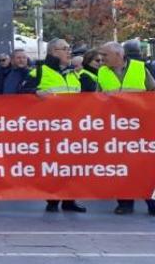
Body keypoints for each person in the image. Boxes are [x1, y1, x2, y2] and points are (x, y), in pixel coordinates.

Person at [19, 39, 86, 213]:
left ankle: (70, 200)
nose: (69, 52)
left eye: (69, 48)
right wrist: (35, 92)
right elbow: (19, 94)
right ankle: (53, 199)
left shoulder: (74, 74)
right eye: (65, 49)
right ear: (53, 52)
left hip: (73, 128)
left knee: (72, 165)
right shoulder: (39, 72)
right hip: (50, 129)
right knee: (53, 165)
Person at [98, 41, 155, 216]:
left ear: (118, 55)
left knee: (147, 166)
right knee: (121, 166)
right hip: (116, 127)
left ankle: (151, 203)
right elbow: (95, 99)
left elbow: (153, 91)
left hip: (141, 125)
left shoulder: (140, 68)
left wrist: (134, 94)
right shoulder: (102, 72)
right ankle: (124, 203)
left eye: (105, 55)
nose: (102, 59)